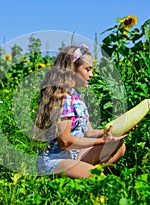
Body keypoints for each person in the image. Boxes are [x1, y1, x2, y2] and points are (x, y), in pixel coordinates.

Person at [35, 45, 134, 178]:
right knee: (97, 177)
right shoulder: (63, 99)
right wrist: (103, 141)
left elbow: (89, 132)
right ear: (72, 69)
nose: (91, 74)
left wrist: (118, 127)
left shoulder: (77, 98)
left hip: (74, 155)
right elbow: (65, 142)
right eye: (88, 69)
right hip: (56, 160)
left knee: (119, 146)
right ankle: (85, 176)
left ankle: (82, 175)